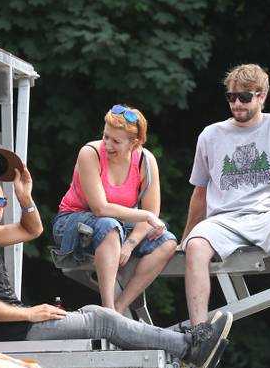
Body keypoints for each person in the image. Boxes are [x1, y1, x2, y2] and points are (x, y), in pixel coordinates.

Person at [0, 145, 232, 368]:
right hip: (10, 333)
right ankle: (188, 346)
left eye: (1, 201)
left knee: (97, 313)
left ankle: (186, 344)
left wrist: (24, 198)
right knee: (102, 320)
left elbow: (31, 229)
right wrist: (31, 313)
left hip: (15, 327)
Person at [181, 64, 270, 365]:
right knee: (196, 247)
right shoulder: (211, 135)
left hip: (267, 214)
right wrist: (187, 235)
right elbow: (200, 192)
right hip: (224, 217)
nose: (237, 104)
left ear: (262, 95)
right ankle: (201, 335)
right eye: (231, 97)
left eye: (244, 97)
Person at [53, 105, 177, 314]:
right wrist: (146, 216)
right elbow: (100, 208)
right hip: (74, 221)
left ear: (134, 143)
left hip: (120, 226)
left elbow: (152, 212)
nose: (108, 145)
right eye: (106, 137)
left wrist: (129, 245)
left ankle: (119, 308)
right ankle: (108, 309)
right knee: (109, 226)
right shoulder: (90, 153)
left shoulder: (145, 161)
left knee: (167, 242)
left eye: (116, 141)